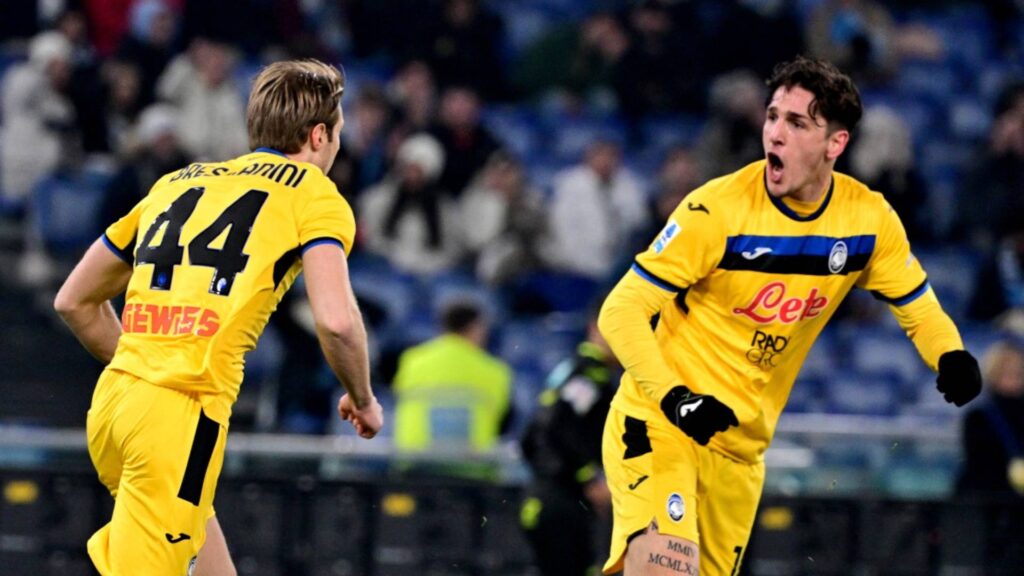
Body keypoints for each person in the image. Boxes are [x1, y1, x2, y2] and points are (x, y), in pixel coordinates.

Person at [597, 56, 982, 576]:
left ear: (835, 145)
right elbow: (620, 311)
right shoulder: (717, 210)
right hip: (662, 425)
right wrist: (676, 397)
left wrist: (951, 355)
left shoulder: (867, 220)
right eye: (772, 116)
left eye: (797, 123)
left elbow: (919, 308)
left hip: (740, 453)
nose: (775, 134)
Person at [53, 59, 383, 576]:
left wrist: (144, 368)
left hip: (115, 406)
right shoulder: (315, 195)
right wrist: (362, 398)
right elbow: (337, 321)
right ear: (320, 134)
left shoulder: (179, 182)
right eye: (338, 133)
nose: (338, 145)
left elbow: (74, 299)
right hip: (180, 417)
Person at [520, 309, 620, 576]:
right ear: (595, 328)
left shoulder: (570, 369)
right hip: (562, 503)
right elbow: (555, 427)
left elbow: (533, 436)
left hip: (545, 497)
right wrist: (588, 478)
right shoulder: (590, 375)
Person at [392, 299, 512, 454]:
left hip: (416, 462)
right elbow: (501, 417)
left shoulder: (412, 361)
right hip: (472, 467)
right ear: (475, 328)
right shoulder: (496, 371)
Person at [957, 340, 1024, 499]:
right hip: (986, 499)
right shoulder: (978, 416)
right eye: (1006, 373)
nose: (1013, 379)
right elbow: (979, 464)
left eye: (1018, 373)